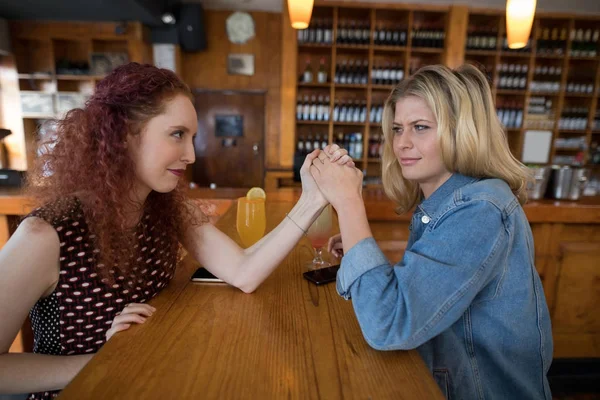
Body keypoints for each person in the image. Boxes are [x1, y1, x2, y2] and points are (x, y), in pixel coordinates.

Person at [0, 63, 352, 399]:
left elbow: (244, 272)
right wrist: (103, 360)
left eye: (192, 137)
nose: (191, 154)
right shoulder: (45, 236)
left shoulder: (165, 206)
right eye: (177, 135)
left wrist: (311, 199)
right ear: (122, 136)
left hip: (153, 376)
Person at [310, 64, 553, 399]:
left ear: (460, 131)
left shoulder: (478, 210)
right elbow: (422, 296)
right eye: (397, 129)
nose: (402, 143)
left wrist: (349, 203)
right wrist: (358, 246)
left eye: (420, 127)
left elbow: (388, 324)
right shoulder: (450, 201)